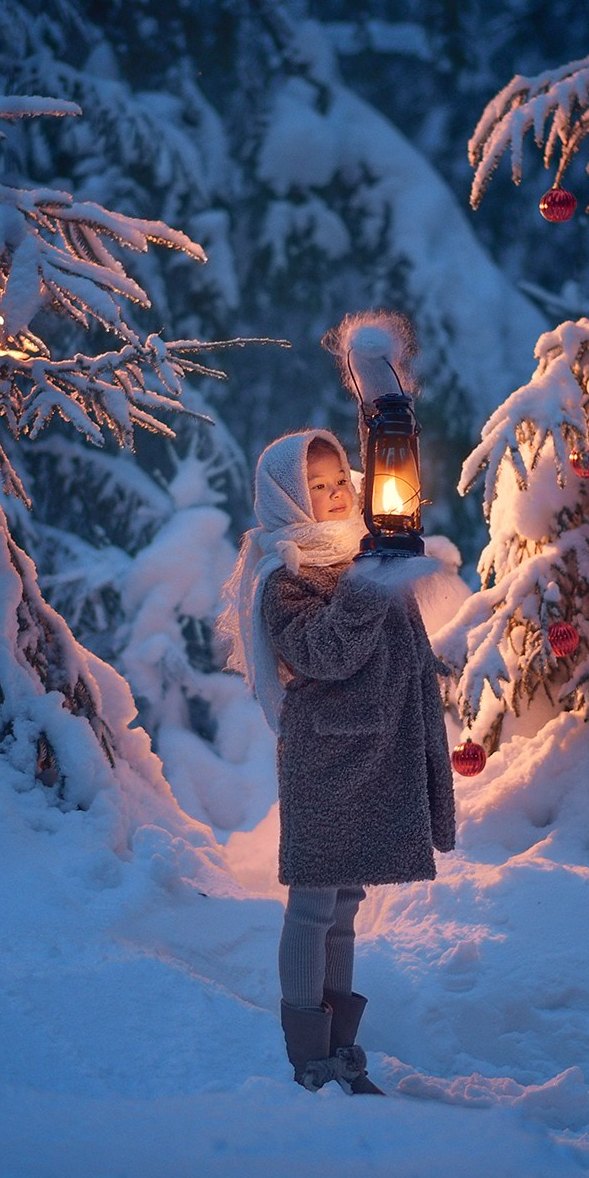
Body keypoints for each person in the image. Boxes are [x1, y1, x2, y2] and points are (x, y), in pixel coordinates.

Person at [219, 427, 455, 1095]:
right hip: (326, 758)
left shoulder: (362, 554)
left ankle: (341, 1049)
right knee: (313, 900)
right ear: (288, 496)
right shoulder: (286, 575)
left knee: (346, 900)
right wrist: (368, 584)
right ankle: (308, 1057)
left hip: (374, 750)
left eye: (337, 480)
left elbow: (402, 650)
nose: (333, 495)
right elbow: (324, 652)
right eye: (315, 486)